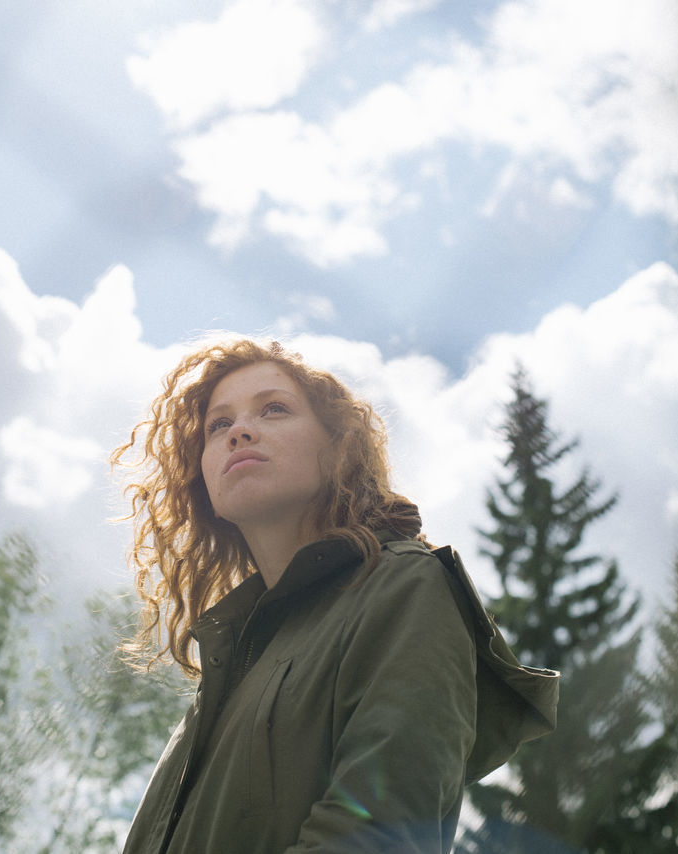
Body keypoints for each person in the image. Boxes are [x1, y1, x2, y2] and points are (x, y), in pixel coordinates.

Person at [113, 338, 558, 854]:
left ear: (338, 445)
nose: (239, 431)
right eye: (218, 425)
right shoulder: (233, 657)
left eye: (274, 408)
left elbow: (375, 835)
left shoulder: (404, 587)